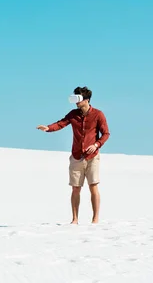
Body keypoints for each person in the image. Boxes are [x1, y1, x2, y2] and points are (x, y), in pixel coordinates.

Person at [37, 86, 110, 224]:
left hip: (92, 157)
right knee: (75, 188)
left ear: (86, 100)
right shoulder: (73, 114)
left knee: (93, 186)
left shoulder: (98, 114)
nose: (76, 101)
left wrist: (96, 144)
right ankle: (75, 219)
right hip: (76, 156)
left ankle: (95, 219)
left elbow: (106, 134)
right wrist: (48, 128)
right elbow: (61, 124)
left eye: (79, 98)